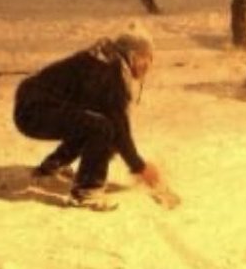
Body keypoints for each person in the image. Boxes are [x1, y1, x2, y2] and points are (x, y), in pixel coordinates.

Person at [12, 25, 168, 209]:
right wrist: (140, 167)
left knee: (94, 124)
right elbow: (118, 128)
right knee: (102, 128)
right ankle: (87, 191)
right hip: (34, 111)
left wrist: (136, 164)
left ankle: (54, 165)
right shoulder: (111, 72)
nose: (149, 66)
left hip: (32, 105)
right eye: (147, 58)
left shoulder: (106, 61)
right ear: (133, 56)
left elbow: (116, 124)